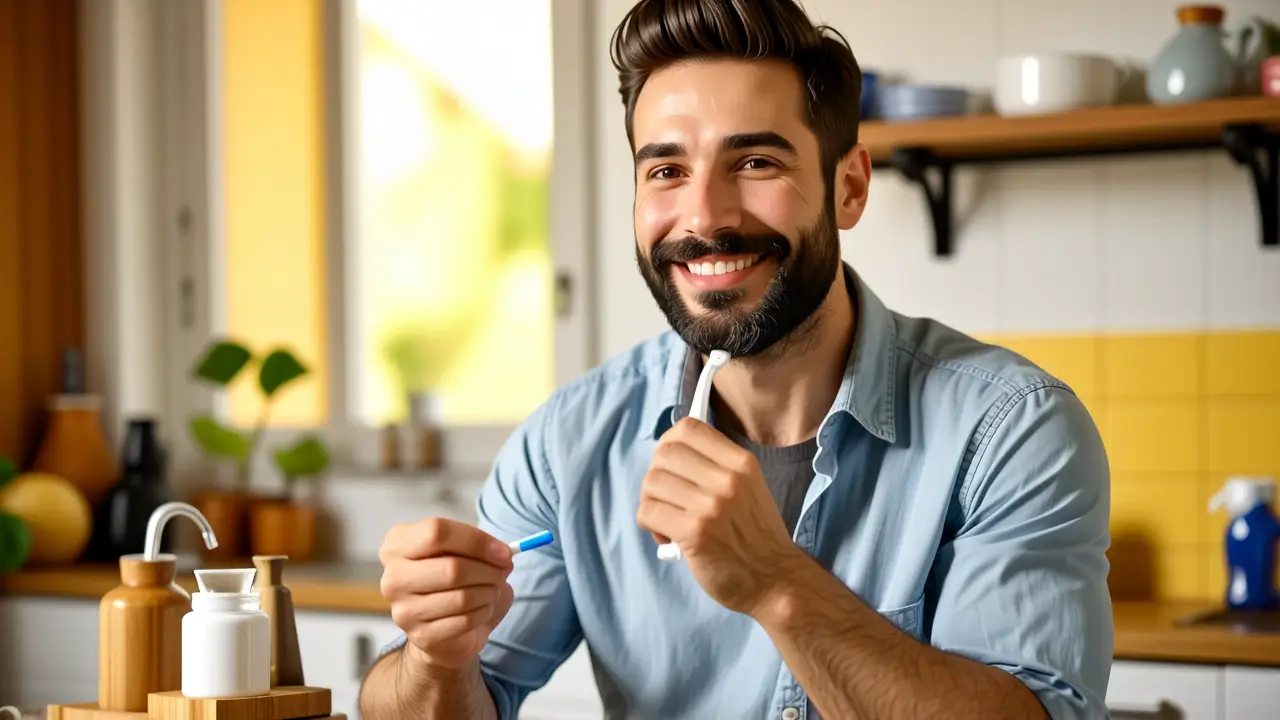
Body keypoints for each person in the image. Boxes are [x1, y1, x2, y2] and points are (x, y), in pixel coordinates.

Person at [358, 0, 1114, 718]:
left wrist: (778, 585)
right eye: (665, 170)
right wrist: (435, 660)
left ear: (847, 188)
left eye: (754, 162)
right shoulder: (568, 444)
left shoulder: (1010, 429)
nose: (705, 217)